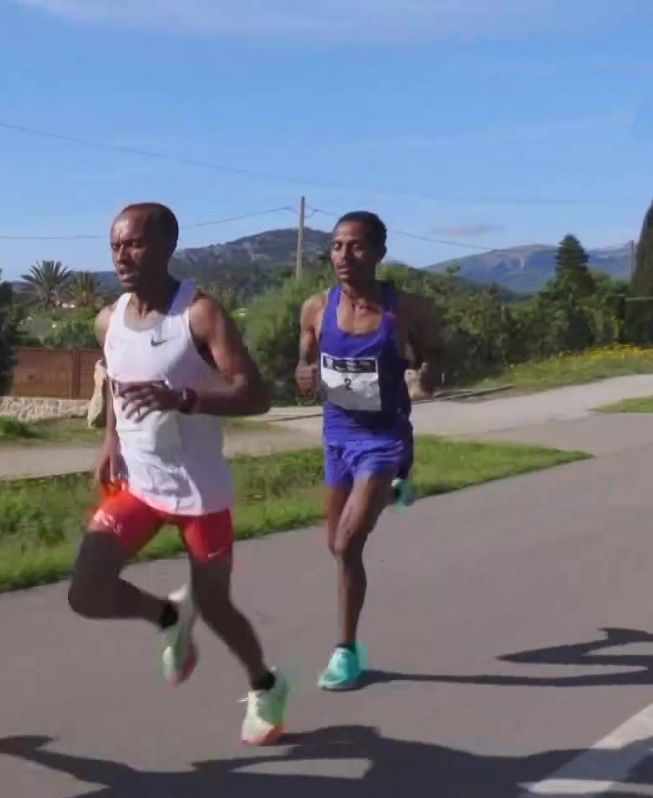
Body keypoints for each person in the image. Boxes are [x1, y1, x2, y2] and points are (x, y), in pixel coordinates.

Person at [71, 201, 290, 747]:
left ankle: (266, 685)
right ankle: (168, 616)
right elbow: (118, 387)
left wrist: (185, 397)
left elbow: (256, 395)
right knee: (86, 591)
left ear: (167, 247)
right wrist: (110, 441)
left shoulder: (199, 315)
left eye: (135, 244)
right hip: (140, 486)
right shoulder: (108, 320)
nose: (122, 255)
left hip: (199, 492)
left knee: (215, 606)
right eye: (115, 245)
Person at [295, 211, 444, 691]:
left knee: (346, 544)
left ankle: (346, 652)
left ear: (379, 253)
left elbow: (436, 349)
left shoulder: (406, 310)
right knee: (334, 547)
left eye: (356, 246)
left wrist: (430, 371)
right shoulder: (317, 307)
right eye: (337, 246)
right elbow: (305, 354)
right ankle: (394, 486)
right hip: (336, 435)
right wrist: (303, 372)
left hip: (383, 439)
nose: (343, 255)